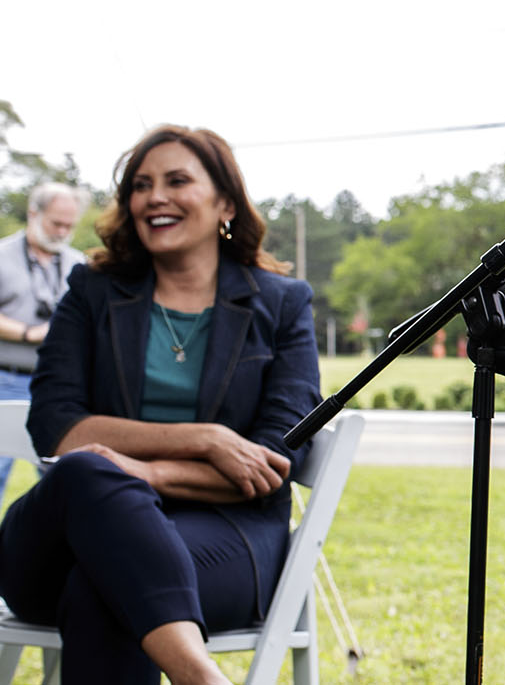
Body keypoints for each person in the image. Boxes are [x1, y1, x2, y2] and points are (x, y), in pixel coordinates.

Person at [0, 126, 320, 685]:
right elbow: (56, 425)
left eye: (177, 181)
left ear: (224, 201)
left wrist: (143, 471)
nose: (155, 197)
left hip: (228, 532)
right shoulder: (92, 290)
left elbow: (271, 460)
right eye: (141, 185)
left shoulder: (281, 304)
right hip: (55, 543)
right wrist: (204, 439)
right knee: (85, 470)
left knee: (103, 585)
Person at [0, 181, 89, 499]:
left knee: (62, 474)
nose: (62, 231)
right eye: (56, 223)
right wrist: (27, 333)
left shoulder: (78, 262)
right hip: (6, 375)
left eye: (69, 225)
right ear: (33, 213)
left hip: (57, 383)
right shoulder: (3, 255)